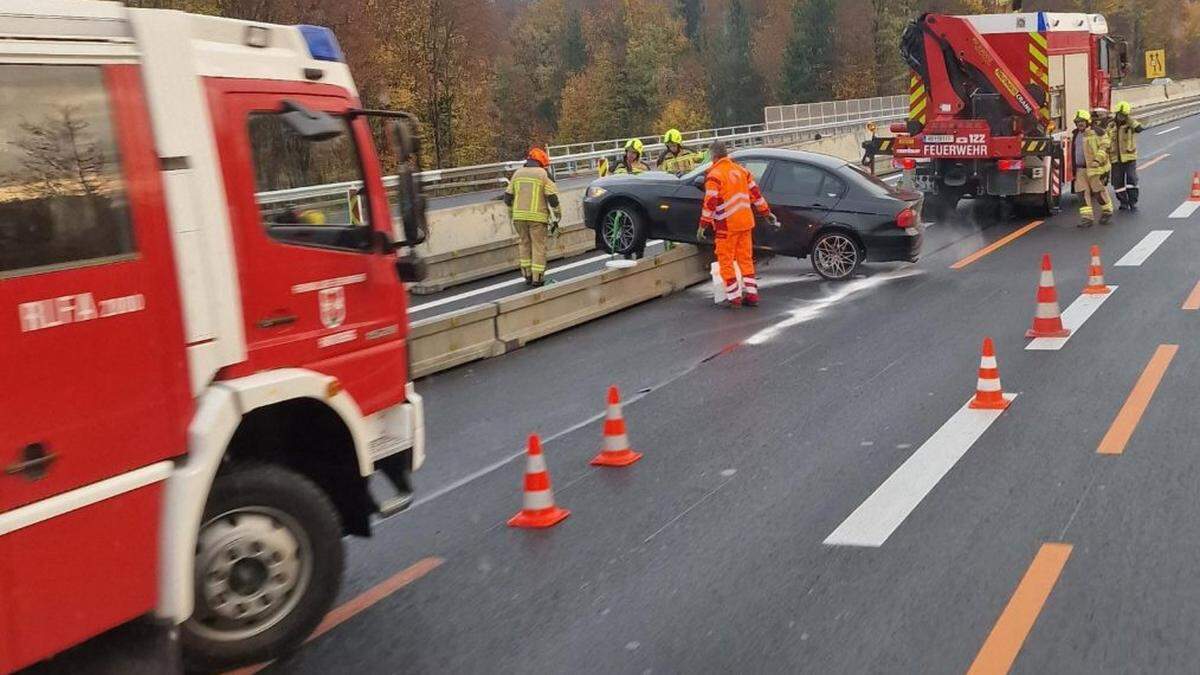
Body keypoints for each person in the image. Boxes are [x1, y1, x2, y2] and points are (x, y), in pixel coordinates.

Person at [697, 141, 777, 307]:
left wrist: (703, 225)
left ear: (713, 156)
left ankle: (734, 297)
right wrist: (767, 213)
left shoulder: (714, 175)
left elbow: (710, 203)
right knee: (745, 259)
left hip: (726, 226)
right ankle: (752, 295)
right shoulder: (742, 171)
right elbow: (756, 195)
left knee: (726, 261)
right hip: (745, 222)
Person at [505, 147, 560, 286]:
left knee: (524, 244)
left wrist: (512, 214)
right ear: (541, 162)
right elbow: (552, 198)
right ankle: (538, 278)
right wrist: (557, 216)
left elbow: (507, 198)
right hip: (537, 218)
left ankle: (527, 275)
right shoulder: (543, 174)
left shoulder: (517, 174)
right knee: (538, 247)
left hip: (518, 218)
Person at [1071, 109, 1111, 228]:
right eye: (1077, 122)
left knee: (1099, 193)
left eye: (1082, 121)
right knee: (1082, 194)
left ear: (1088, 121)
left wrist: (1097, 160)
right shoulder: (1075, 134)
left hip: (1095, 169)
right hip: (1080, 170)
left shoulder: (1098, 133)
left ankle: (1107, 211)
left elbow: (1105, 147)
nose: (1080, 124)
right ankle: (1087, 218)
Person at [1111, 100, 1145, 210]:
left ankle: (1132, 202)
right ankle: (1123, 202)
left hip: (1129, 157)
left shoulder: (1131, 124)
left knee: (1132, 179)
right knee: (1117, 182)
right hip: (1116, 158)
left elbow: (1139, 128)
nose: (1121, 117)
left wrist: (1129, 119)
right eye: (1120, 115)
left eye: (1124, 115)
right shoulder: (1111, 126)